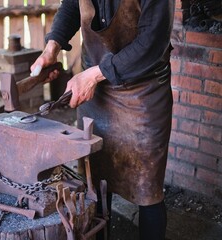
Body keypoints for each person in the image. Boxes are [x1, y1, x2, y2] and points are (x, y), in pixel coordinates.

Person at [30, 0, 175, 239]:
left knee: (147, 187)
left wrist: (95, 76)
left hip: (143, 92)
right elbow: (72, 5)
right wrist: (51, 47)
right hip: (96, 90)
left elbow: (152, 43)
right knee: (92, 179)